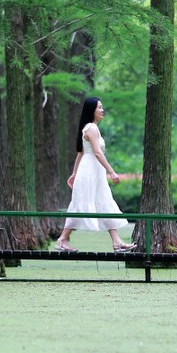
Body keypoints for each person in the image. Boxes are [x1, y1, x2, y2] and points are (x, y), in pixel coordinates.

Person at [55, 97, 136, 252]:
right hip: (90, 171)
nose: (102, 110)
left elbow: (81, 152)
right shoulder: (91, 128)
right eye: (99, 107)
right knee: (81, 204)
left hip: (94, 171)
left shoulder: (89, 128)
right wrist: (112, 171)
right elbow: (97, 153)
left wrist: (73, 173)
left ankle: (117, 241)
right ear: (92, 110)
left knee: (104, 202)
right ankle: (62, 240)